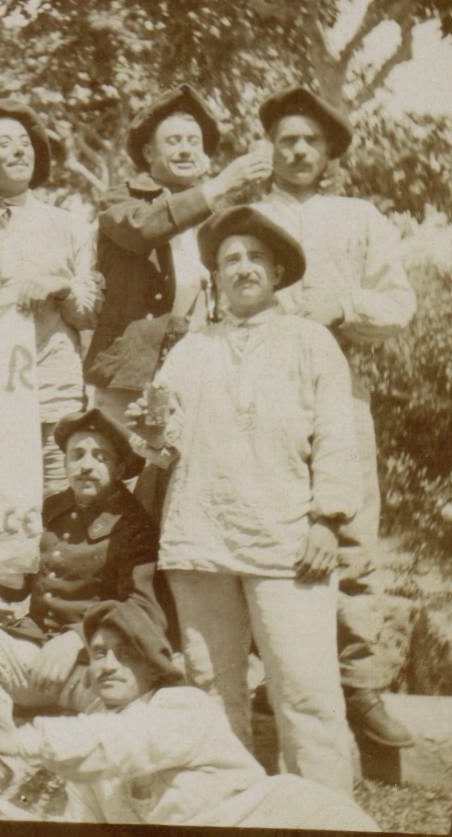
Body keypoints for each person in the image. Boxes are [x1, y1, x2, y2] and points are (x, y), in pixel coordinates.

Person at [147, 205, 360, 793]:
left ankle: (322, 809)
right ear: (214, 274)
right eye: (229, 259)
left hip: (288, 539)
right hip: (201, 536)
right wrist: (150, 431)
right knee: (213, 686)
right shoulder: (190, 350)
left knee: (305, 687)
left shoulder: (311, 342)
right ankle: (227, 801)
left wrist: (326, 521)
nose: (242, 268)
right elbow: (161, 447)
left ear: (278, 271)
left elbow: (339, 439)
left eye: (255, 258)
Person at [254, 85, 417, 748]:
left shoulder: (359, 217)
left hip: (342, 392)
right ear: (271, 147)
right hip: (263, 392)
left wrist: (345, 311)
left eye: (310, 142)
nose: (297, 150)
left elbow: (399, 305)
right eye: (286, 139)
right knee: (271, 526)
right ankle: (277, 678)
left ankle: (361, 684)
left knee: (348, 529)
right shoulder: (251, 215)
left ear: (329, 153)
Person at [0, 601, 378, 830]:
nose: (108, 665)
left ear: (152, 663)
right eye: (98, 654)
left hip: (291, 820)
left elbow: (120, 745)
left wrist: (7, 740)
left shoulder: (183, 707)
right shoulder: (100, 737)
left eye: (125, 653)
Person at [85, 84, 272, 514]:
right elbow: (143, 230)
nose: (187, 149)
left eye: (195, 142)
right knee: (119, 484)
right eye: (174, 141)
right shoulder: (120, 201)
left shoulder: (222, 216)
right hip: (131, 373)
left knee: (190, 483)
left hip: (201, 368)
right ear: (148, 154)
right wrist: (223, 184)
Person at [0, 407, 165, 731]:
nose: (86, 465)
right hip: (37, 653)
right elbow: (18, 585)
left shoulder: (134, 525)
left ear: (119, 467)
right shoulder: (50, 510)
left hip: (93, 664)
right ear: (65, 464)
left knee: (126, 732)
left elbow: (143, 608)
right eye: (76, 455)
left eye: (99, 456)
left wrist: (79, 638)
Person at [0, 98, 102, 500]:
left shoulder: (68, 226)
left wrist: (59, 285)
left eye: (26, 144)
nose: (19, 151)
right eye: (6, 143)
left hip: (52, 392)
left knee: (58, 501)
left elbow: (89, 314)